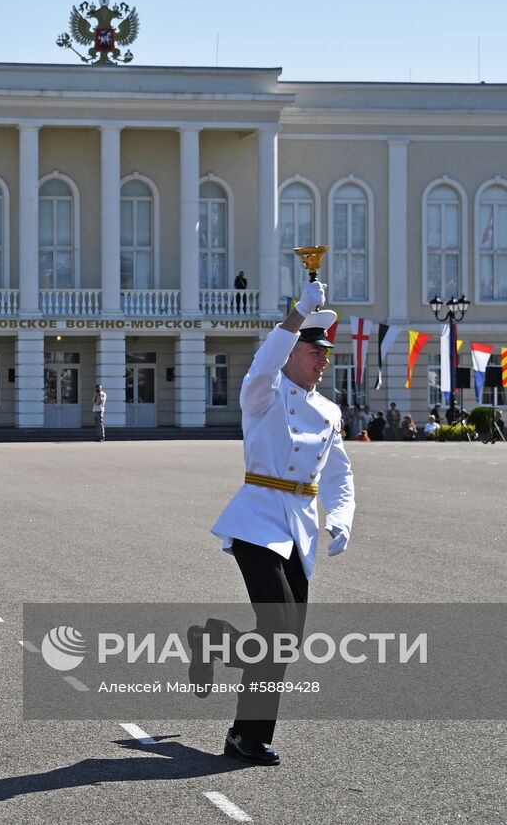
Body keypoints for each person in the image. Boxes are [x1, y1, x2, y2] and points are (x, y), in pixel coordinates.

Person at [203, 278, 355, 767]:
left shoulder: (328, 410)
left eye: (325, 353)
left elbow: (339, 474)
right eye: (314, 350)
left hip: (299, 527)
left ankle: (222, 646)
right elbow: (263, 362)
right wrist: (296, 314)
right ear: (292, 351)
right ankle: (246, 737)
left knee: (286, 638)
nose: (323, 359)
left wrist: (343, 518)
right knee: (278, 624)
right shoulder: (263, 395)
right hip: (256, 518)